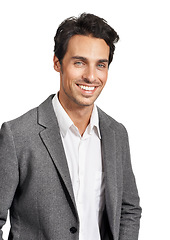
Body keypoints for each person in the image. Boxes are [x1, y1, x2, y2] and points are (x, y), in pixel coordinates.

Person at [0, 13, 142, 240]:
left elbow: (128, 209)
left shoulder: (116, 134)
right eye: (79, 62)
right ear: (57, 63)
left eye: (101, 65)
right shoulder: (17, 135)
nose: (91, 76)